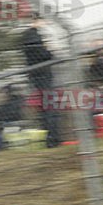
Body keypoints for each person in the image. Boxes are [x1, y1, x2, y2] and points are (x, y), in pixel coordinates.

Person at [21, 14, 61, 147]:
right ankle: (52, 140)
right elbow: (41, 54)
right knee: (49, 108)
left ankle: (51, 139)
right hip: (42, 76)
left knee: (46, 108)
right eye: (43, 21)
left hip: (38, 76)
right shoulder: (32, 35)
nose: (44, 23)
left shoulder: (30, 35)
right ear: (36, 21)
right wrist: (51, 52)